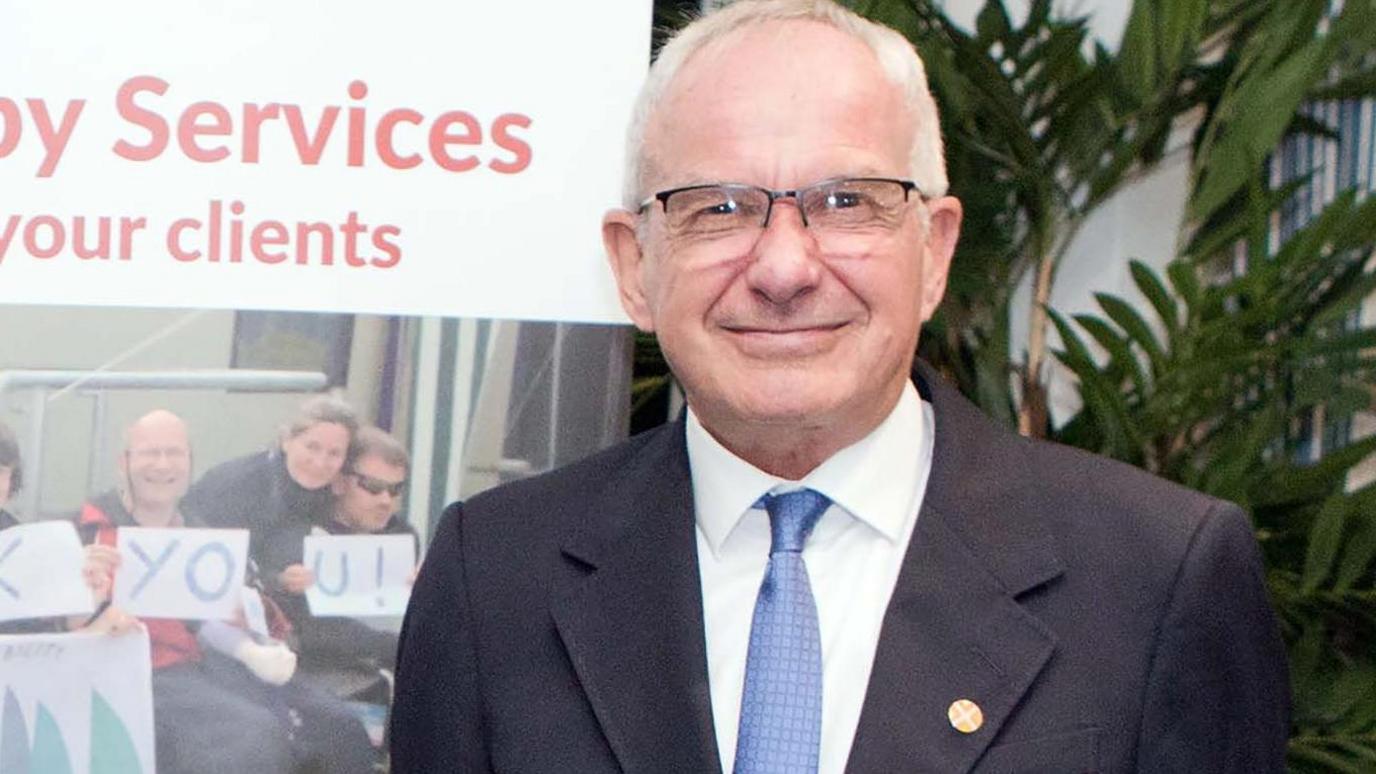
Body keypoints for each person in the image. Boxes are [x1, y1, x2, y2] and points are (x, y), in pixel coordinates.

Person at [390, 1, 1290, 772]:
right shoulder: (495, 576)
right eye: (719, 208)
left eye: (848, 201)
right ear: (634, 267)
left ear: (934, 250)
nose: (784, 267)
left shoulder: (1156, 572)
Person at [78, 409, 375, 774]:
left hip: (218, 660)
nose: (162, 464)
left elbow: (240, 615)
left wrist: (250, 615)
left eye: (174, 453)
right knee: (252, 739)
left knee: (336, 726)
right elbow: (63, 622)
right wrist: (85, 596)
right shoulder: (86, 532)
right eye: (149, 453)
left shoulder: (203, 534)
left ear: (189, 462)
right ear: (124, 461)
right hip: (141, 671)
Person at [182, 394, 358, 601]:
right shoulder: (236, 486)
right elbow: (208, 563)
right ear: (286, 442)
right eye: (312, 447)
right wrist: (277, 580)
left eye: (334, 454)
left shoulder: (342, 488)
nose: (320, 463)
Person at [291, 426, 417, 676]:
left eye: (395, 490)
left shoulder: (402, 536)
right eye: (372, 486)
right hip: (316, 668)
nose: (385, 500)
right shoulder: (300, 536)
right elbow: (312, 629)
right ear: (339, 483)